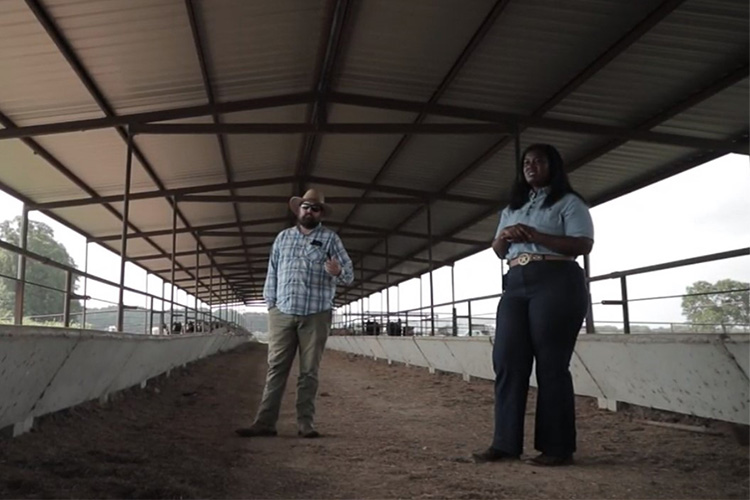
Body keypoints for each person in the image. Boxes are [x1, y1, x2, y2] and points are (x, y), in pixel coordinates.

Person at [473, 144, 594, 467]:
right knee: (507, 359)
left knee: (551, 364)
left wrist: (537, 236)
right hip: (516, 281)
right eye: (526, 162)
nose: (531, 166)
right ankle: (505, 443)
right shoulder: (513, 208)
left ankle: (557, 447)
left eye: (538, 161)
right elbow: (499, 249)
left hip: (556, 278)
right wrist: (507, 235)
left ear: (553, 166)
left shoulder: (569, 203)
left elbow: (582, 244)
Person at [236, 188, 353, 439]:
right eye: (306, 206)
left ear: (321, 213)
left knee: (309, 371)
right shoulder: (283, 238)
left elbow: (349, 274)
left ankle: (305, 424)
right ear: (298, 209)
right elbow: (273, 272)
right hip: (283, 312)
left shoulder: (331, 239)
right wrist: (271, 305)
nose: (309, 211)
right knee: (276, 367)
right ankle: (265, 423)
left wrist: (337, 272)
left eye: (315, 208)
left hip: (316, 313)